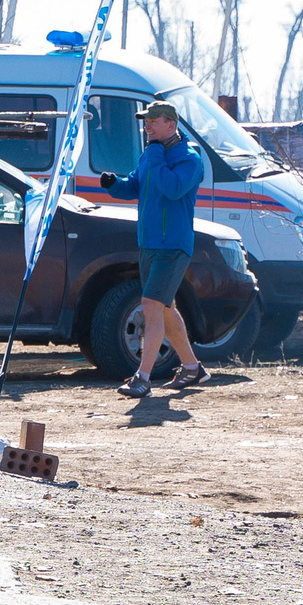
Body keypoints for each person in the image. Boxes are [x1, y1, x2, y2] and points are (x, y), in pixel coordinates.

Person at [98, 100, 206, 399]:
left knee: (150, 305)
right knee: (165, 308)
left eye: (153, 121)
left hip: (173, 245)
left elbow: (172, 188)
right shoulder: (151, 154)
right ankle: (192, 368)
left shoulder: (189, 158)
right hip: (149, 243)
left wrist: (156, 154)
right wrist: (114, 184)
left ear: (171, 124)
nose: (147, 126)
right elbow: (136, 186)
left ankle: (143, 378)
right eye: (146, 121)